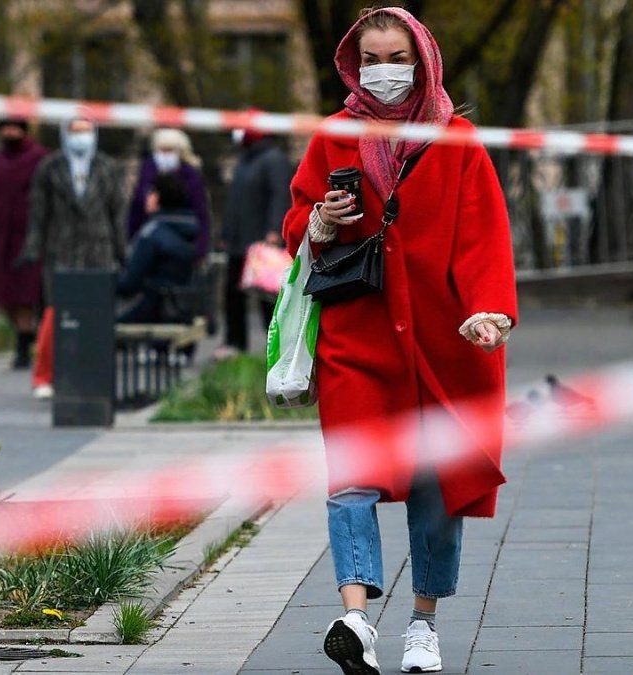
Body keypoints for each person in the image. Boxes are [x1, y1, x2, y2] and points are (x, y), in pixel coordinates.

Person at [281, 7, 517, 674]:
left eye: (396, 58)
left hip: (444, 341)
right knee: (350, 478)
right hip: (358, 339)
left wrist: (489, 310)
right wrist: (320, 220)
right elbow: (294, 221)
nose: (384, 73)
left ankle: (423, 624)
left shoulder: (458, 140)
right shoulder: (334, 136)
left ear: (423, 60)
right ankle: (355, 619)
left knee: (436, 487)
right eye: (371, 61)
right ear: (352, 66)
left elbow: (483, 236)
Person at [16, 116, 126, 399]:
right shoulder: (49, 168)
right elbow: (38, 213)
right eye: (75, 132)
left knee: (96, 315)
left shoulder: (108, 167)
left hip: (98, 250)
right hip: (61, 250)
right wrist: (32, 248)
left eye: (86, 131)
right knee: (55, 315)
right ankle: (45, 376)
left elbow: (117, 212)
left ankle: (92, 374)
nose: (81, 137)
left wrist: (122, 252)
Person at [0, 119, 48, 369]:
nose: (9, 133)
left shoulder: (39, 158)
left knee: (25, 293)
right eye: (5, 128)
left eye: (14, 128)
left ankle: (25, 345)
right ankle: (24, 337)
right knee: (3, 293)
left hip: (27, 237)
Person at [218, 123, 292, 357]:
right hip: (240, 242)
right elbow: (235, 202)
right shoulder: (246, 160)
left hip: (261, 243)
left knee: (267, 297)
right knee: (233, 294)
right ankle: (235, 343)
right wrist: (227, 233)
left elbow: (280, 195)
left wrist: (274, 230)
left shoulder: (273, 159)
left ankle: (276, 349)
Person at [117, 173, 199, 324]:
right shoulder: (190, 229)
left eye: (150, 193)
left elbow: (130, 283)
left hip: (154, 309)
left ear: (157, 197)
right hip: (183, 309)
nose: (147, 197)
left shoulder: (151, 233)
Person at [126, 128, 210, 260]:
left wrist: (200, 250)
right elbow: (136, 209)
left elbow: (201, 216)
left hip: (182, 244)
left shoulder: (192, 178)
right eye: (162, 150)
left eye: (170, 150)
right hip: (148, 244)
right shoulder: (146, 173)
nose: (165, 155)